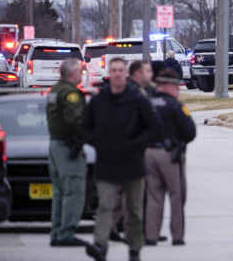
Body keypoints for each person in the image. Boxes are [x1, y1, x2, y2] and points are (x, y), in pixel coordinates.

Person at [83, 57, 160, 261]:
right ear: (109, 72)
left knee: (134, 211)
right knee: (105, 207)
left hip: (133, 163)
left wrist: (137, 142)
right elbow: (85, 126)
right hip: (106, 164)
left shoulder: (137, 99)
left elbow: (154, 127)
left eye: (120, 70)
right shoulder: (99, 100)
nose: (117, 73)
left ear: (125, 73)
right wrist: (95, 140)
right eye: (114, 70)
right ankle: (100, 246)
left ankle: (135, 249)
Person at [145, 68, 196, 246]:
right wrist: (179, 142)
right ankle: (177, 236)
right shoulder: (175, 106)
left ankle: (150, 235)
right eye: (176, 86)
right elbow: (190, 131)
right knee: (177, 195)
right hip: (170, 155)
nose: (178, 90)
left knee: (153, 196)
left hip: (148, 154)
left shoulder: (147, 103)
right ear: (167, 85)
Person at [46, 58, 87, 247]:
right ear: (72, 74)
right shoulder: (71, 93)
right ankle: (66, 232)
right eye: (80, 71)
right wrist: (86, 134)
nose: (81, 74)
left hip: (55, 144)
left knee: (59, 192)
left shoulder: (55, 90)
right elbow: (74, 119)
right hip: (69, 147)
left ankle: (57, 231)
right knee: (74, 189)